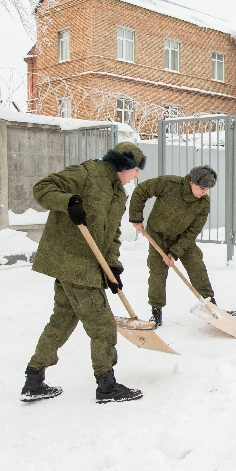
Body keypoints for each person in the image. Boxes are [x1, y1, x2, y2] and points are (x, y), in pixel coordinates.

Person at [20, 142, 146, 404]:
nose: (137, 175)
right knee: (102, 326)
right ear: (124, 166)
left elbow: (112, 234)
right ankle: (106, 386)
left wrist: (112, 266)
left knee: (62, 321)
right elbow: (43, 187)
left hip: (87, 264)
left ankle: (34, 379)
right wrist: (69, 201)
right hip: (73, 261)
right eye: (136, 169)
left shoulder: (119, 194)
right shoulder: (88, 173)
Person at [129, 165, 234, 326]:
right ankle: (156, 312)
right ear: (191, 182)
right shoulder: (169, 184)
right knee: (157, 271)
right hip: (158, 235)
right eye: (202, 188)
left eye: (207, 189)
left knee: (197, 266)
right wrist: (136, 218)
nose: (205, 192)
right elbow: (141, 190)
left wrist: (175, 252)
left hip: (182, 238)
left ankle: (211, 307)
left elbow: (193, 231)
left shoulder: (204, 203)